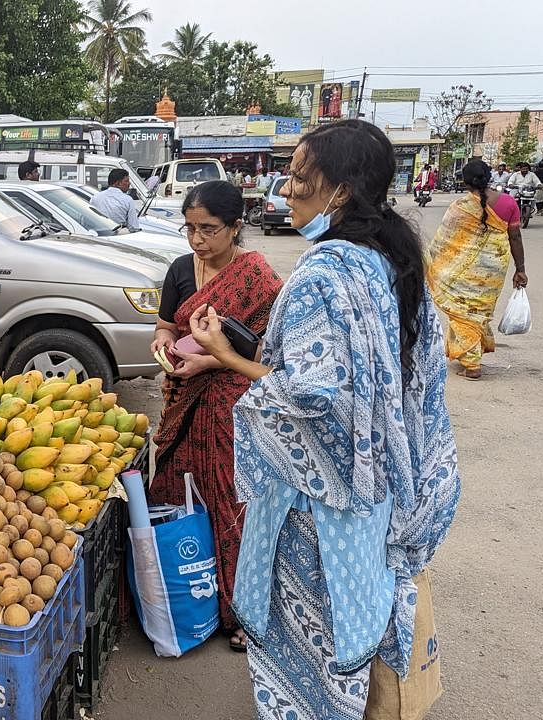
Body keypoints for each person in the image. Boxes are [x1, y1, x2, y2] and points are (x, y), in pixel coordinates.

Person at [188, 119, 461, 720]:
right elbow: (406, 382)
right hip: (375, 499)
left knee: (307, 654)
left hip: (316, 506)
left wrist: (232, 358)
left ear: (339, 190)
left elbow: (311, 397)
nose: (286, 191)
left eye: (298, 178)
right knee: (348, 638)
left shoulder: (324, 272)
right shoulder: (389, 260)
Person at [148, 180, 283, 652]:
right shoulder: (181, 270)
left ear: (235, 227)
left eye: (208, 229)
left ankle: (241, 609)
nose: (197, 240)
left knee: (233, 499)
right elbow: (167, 324)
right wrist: (164, 343)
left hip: (232, 401)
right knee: (177, 488)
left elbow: (271, 348)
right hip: (185, 396)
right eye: (189, 229)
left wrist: (211, 359)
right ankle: (181, 593)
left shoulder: (258, 277)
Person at [426, 159, 528, 380]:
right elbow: (515, 237)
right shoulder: (509, 203)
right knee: (477, 312)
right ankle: (469, 353)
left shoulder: (459, 207)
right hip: (494, 269)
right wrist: (520, 269)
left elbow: (444, 242)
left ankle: (472, 364)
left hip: (465, 271)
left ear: (464, 181)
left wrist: (430, 264)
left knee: (463, 311)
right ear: (488, 176)